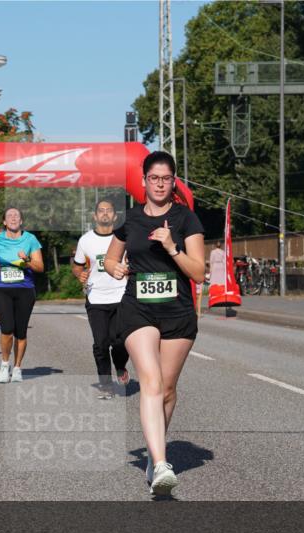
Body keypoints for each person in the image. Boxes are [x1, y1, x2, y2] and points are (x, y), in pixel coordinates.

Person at [105, 150, 205, 496]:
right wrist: (113, 268)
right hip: (138, 310)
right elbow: (110, 257)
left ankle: (153, 452)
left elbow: (199, 272)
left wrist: (173, 247)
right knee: (150, 379)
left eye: (166, 178)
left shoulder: (186, 220)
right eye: (154, 178)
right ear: (144, 181)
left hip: (177, 312)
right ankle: (162, 464)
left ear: (173, 182)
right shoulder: (130, 219)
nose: (160, 184)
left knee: (166, 390)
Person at [72, 199, 130, 399]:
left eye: (109, 211)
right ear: (95, 216)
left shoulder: (124, 237)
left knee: (121, 341)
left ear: (114, 216)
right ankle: (106, 384)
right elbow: (77, 265)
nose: (105, 214)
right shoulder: (85, 240)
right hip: (96, 297)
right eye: (101, 211)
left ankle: (121, 366)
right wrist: (79, 274)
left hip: (121, 295)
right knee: (101, 343)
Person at [0, 207, 44, 383]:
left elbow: (40, 267)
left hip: (25, 288)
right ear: (4, 222)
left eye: (16, 216)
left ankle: (17, 367)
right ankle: (4, 364)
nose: (13, 218)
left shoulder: (30, 239)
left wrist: (27, 261)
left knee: (21, 331)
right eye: (9, 216)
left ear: (21, 221)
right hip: (2, 287)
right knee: (7, 328)